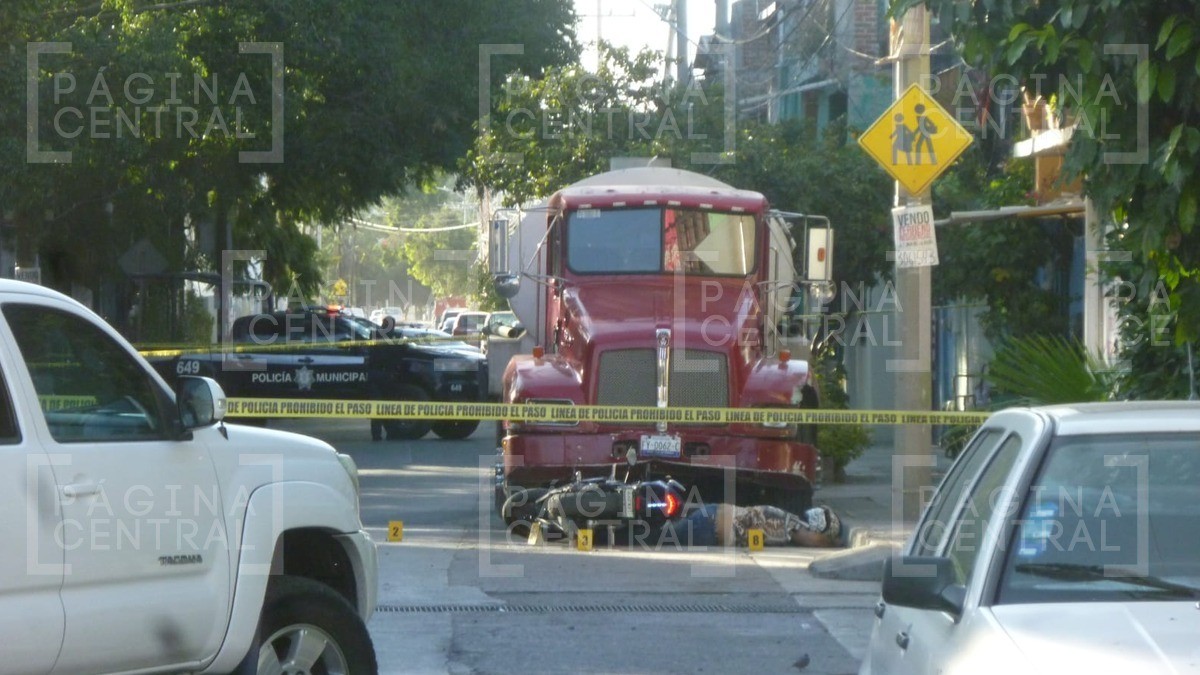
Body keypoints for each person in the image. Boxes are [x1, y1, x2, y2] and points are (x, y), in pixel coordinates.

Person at [665, 503, 842, 548]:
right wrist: (835, 546)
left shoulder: (784, 517)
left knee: (662, 535)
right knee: (659, 537)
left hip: (710, 519)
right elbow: (813, 540)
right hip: (708, 526)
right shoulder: (793, 523)